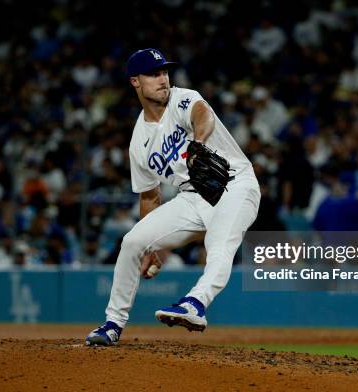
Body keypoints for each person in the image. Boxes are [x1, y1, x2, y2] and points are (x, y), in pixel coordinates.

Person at [86, 48, 260, 346]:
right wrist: (152, 247)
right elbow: (150, 196)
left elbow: (202, 114)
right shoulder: (139, 141)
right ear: (135, 82)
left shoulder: (183, 98)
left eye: (164, 72)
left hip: (235, 185)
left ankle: (195, 303)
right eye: (153, 74)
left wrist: (198, 142)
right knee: (132, 242)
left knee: (219, 244)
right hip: (192, 198)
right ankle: (113, 324)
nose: (162, 79)